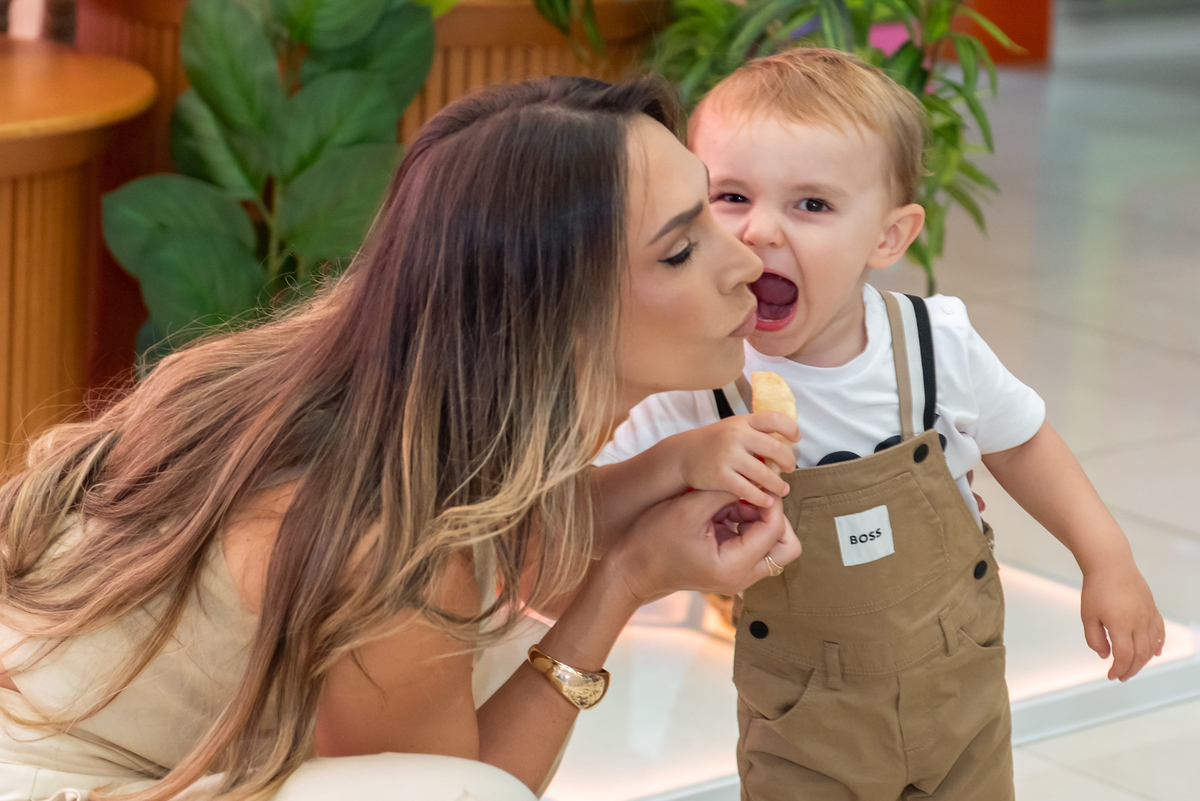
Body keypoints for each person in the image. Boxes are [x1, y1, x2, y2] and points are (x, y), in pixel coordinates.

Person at [0, 76, 801, 801]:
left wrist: (666, 471)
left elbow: (509, 545)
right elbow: (460, 790)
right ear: (554, 312)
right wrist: (624, 582)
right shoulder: (384, 543)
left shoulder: (407, 399)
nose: (744, 259)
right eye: (680, 249)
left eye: (713, 208)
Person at [594, 49, 1165, 801]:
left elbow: (1023, 443)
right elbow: (590, 507)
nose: (760, 230)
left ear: (888, 238)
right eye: (730, 196)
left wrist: (1107, 559)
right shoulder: (695, 376)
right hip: (804, 726)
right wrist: (675, 471)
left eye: (811, 205)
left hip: (958, 694)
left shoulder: (935, 343)